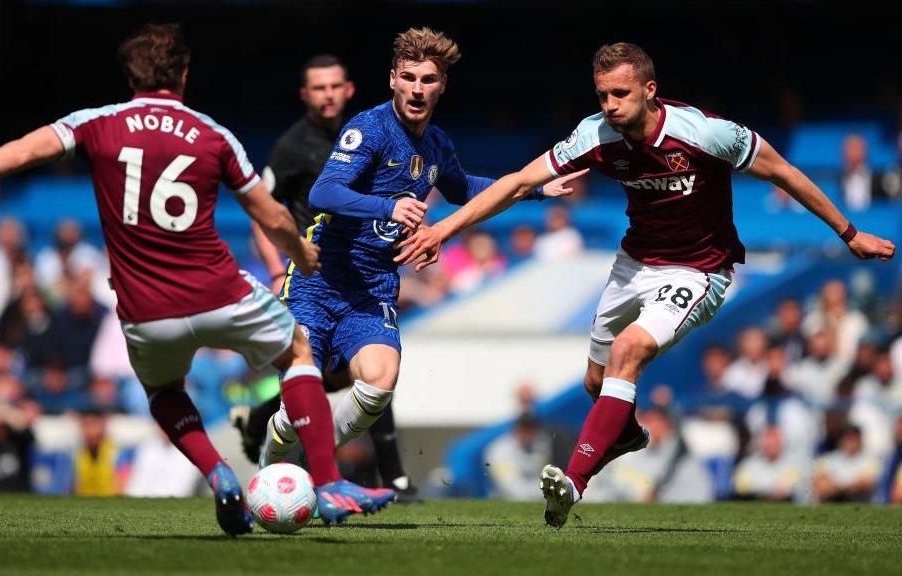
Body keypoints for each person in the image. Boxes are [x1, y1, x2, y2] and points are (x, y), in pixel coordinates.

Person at [0, 23, 394, 534]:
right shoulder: (211, 134)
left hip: (144, 308)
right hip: (217, 290)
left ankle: (218, 472)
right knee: (297, 353)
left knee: (163, 390)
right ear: (184, 74)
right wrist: (300, 252)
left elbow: (22, 150)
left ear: (130, 75)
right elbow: (271, 214)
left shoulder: (96, 123)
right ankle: (328, 483)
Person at [395, 42, 895, 528]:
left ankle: (572, 483)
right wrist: (443, 228)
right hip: (633, 263)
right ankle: (627, 434)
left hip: (700, 270)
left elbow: (784, 173)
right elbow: (519, 182)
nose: (610, 106)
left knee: (629, 350)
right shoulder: (594, 134)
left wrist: (848, 233)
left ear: (649, 90)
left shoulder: (705, 134)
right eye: (602, 96)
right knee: (597, 383)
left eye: (620, 94)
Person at [258, 27, 585, 476]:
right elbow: (323, 193)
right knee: (302, 387)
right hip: (320, 278)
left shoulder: (436, 144)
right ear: (393, 78)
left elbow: (464, 187)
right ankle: (278, 457)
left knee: (378, 384)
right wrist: (387, 206)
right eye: (408, 77)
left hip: (372, 288)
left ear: (442, 85)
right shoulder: (368, 129)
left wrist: (533, 188)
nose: (416, 88)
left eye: (428, 79)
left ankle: (313, 452)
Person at [232, 54, 419, 501]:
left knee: (364, 372)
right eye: (319, 88)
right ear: (305, 95)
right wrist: (279, 269)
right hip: (310, 276)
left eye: (335, 86)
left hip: (361, 275)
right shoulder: (293, 148)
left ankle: (264, 423)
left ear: (350, 89)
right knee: (319, 378)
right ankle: (388, 477)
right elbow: (261, 214)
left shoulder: (375, 134)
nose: (328, 94)